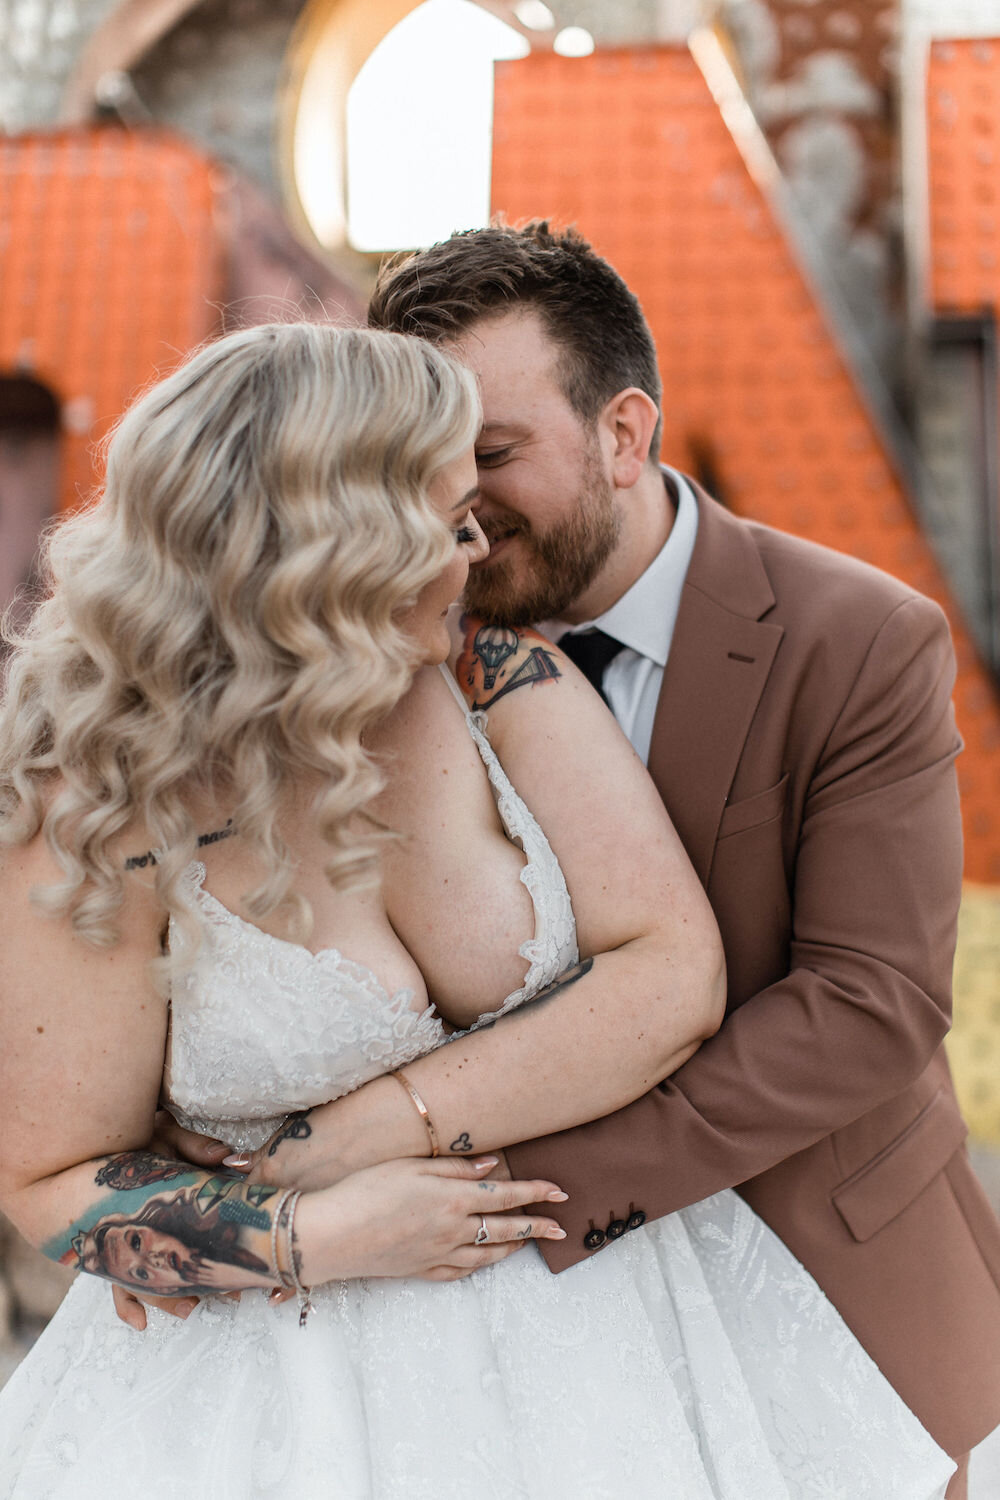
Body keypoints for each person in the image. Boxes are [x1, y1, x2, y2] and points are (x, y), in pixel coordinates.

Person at [0, 321, 953, 1498]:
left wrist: (360, 1131)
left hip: (617, 1347)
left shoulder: (501, 679)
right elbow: (52, 1179)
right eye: (445, 521)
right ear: (328, 544)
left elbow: (669, 977)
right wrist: (321, 1235)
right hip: (272, 1400)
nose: (475, 554)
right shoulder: (93, 798)